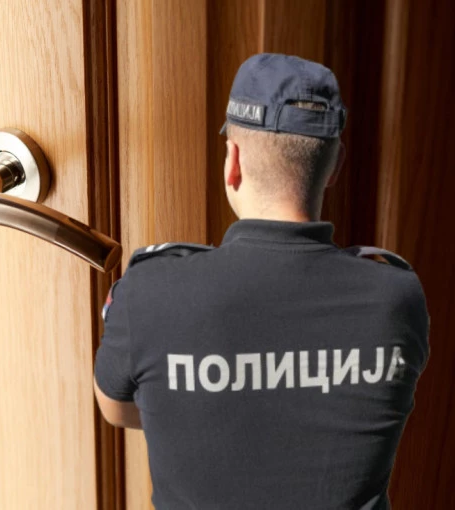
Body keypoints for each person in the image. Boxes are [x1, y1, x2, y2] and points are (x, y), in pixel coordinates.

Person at [93, 53, 430, 510]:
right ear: (334, 166)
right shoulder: (397, 297)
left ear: (232, 161)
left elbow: (115, 409)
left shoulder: (149, 294)